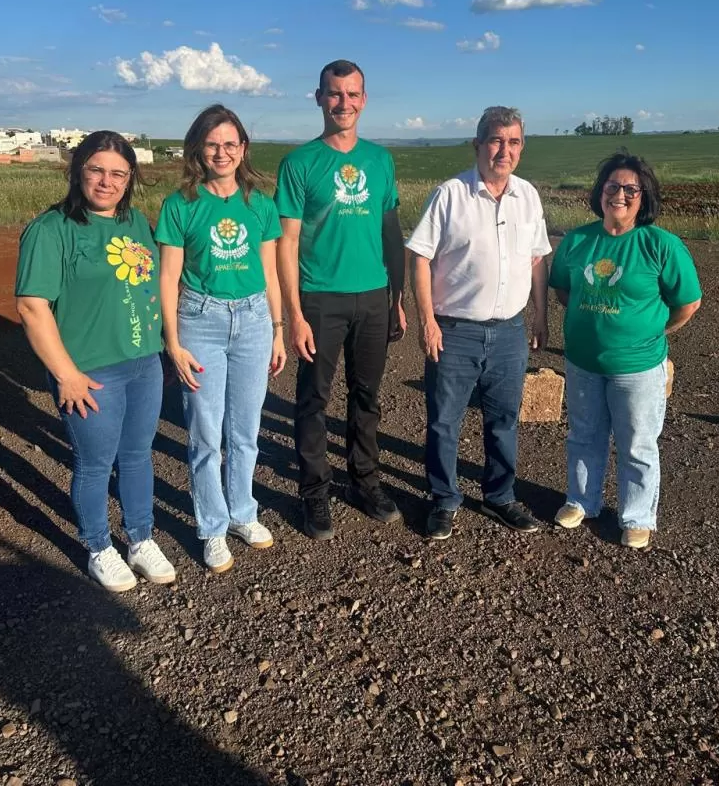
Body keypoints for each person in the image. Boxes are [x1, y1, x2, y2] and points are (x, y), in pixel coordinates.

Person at [15, 131, 176, 592]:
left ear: (130, 179)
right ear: (77, 171)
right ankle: (98, 546)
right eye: (96, 170)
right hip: (90, 371)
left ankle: (140, 538)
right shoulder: (52, 229)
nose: (107, 181)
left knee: (138, 456)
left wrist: (161, 346)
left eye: (118, 173)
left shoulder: (136, 224)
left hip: (143, 362)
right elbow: (32, 307)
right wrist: (66, 374)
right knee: (93, 462)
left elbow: (148, 287)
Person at [275, 59, 406, 540]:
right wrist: (293, 313)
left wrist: (397, 296)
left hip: (372, 295)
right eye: (334, 94)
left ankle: (363, 481)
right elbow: (286, 242)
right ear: (319, 98)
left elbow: (390, 231)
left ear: (364, 100)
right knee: (313, 399)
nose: (343, 103)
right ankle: (314, 492)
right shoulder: (299, 163)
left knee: (367, 395)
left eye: (352, 94)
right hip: (319, 297)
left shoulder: (380, 160)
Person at [406, 106, 551, 541]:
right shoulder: (450, 194)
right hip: (455, 330)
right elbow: (419, 257)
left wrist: (541, 314)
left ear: (521, 147)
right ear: (478, 144)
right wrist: (427, 321)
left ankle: (500, 495)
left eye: (513, 142)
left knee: (503, 420)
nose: (503, 150)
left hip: (509, 331)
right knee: (443, 421)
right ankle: (444, 499)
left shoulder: (528, 196)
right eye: (495, 140)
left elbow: (538, 258)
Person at [157, 105, 286, 574]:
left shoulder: (260, 204)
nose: (222, 152)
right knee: (206, 433)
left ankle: (242, 514)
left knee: (245, 430)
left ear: (243, 149)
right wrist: (172, 343)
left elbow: (269, 272)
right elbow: (167, 278)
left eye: (231, 144)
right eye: (212, 144)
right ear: (198, 148)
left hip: (253, 319)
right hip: (200, 319)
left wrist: (278, 330)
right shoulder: (180, 204)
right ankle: (211, 526)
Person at [549, 151, 702, 549]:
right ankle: (581, 500)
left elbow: (688, 303)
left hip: (638, 366)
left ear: (643, 196)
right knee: (583, 434)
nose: (619, 194)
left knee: (637, 442)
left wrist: (653, 332)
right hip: (582, 361)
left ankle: (636, 516)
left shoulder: (660, 245)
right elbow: (564, 289)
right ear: (600, 192)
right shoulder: (578, 240)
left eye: (630, 188)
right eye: (611, 186)